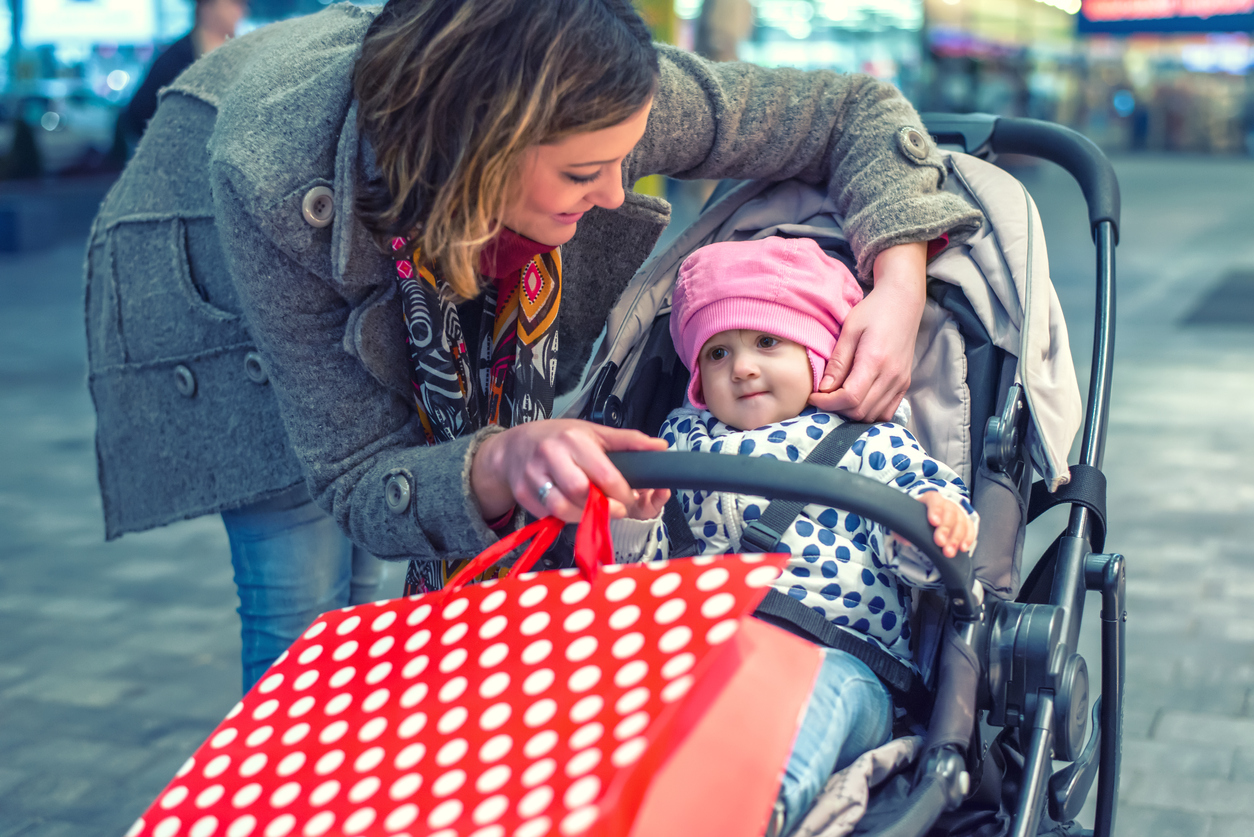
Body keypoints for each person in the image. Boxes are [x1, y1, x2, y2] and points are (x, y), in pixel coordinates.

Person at [85, 0, 982, 692]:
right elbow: (359, 470)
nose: (610, 196)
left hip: (409, 192)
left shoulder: (601, 101)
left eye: (624, 164)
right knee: (304, 605)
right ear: (481, 148)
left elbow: (854, 110)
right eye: (584, 175)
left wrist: (897, 280)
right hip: (214, 271)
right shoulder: (271, 182)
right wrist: (495, 460)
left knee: (395, 604)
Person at [609, 236, 978, 837]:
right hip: (700, 649)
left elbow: (926, 547)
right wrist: (638, 522)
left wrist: (930, 525)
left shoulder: (866, 440)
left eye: (767, 342)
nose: (744, 367)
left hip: (837, 657)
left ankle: (753, 813)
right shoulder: (676, 443)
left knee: (811, 701)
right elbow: (638, 584)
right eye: (718, 354)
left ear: (821, 353)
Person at [112, 0, 248, 161]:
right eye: (232, 4)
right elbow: (138, 114)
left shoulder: (244, 53)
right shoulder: (175, 59)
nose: (240, 11)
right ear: (206, 7)